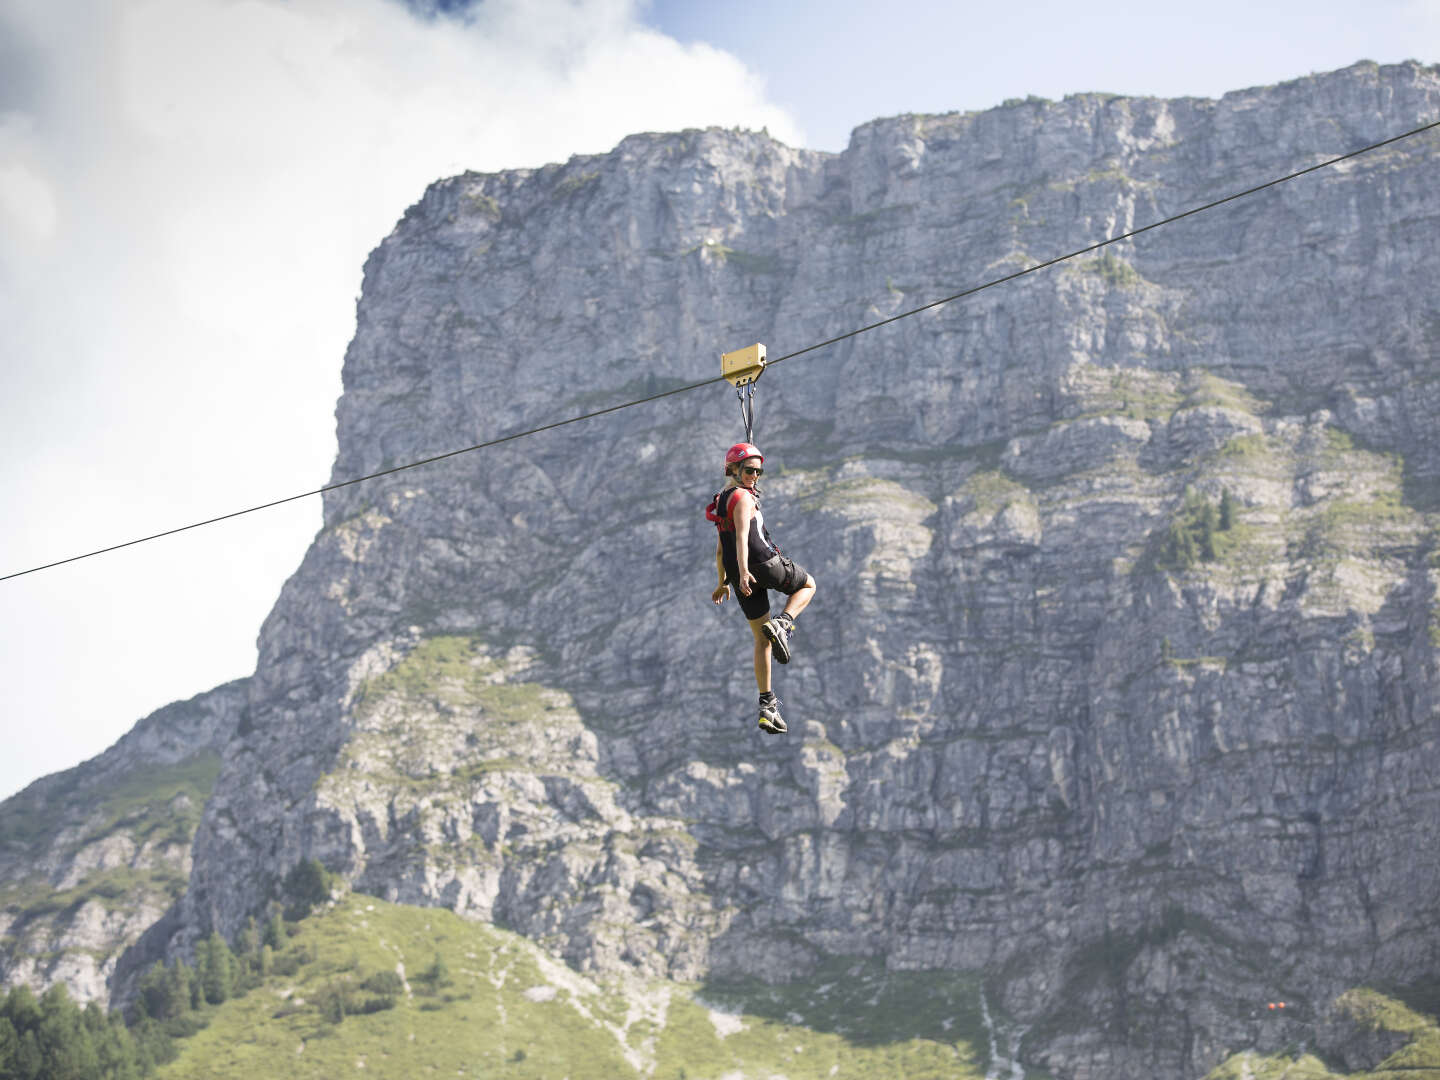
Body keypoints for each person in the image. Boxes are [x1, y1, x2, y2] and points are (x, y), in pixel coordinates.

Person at [706, 442, 817, 735]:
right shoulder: (743, 498)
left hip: (740, 576)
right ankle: (785, 623)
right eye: (749, 470)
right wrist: (742, 574)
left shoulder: (721, 500)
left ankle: (767, 706)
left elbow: (721, 548)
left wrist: (722, 582)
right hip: (762, 564)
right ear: (733, 470)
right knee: (808, 584)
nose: (755, 476)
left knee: (761, 639)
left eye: (758, 471)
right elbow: (742, 537)